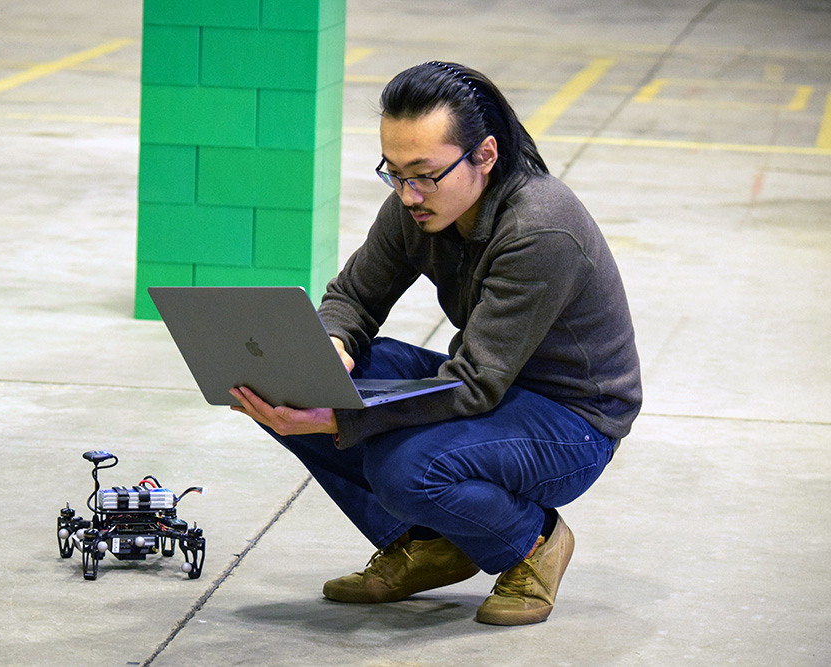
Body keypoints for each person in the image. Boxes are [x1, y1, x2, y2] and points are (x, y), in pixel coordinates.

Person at [229, 61, 641, 626]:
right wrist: (332, 345)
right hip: (490, 389)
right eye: (393, 173)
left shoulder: (541, 229)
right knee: (282, 380)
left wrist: (339, 419)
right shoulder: (416, 204)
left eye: (423, 174)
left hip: (571, 422)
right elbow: (352, 296)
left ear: (485, 156)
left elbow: (474, 385)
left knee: (408, 469)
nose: (408, 193)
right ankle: (430, 543)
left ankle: (534, 542)